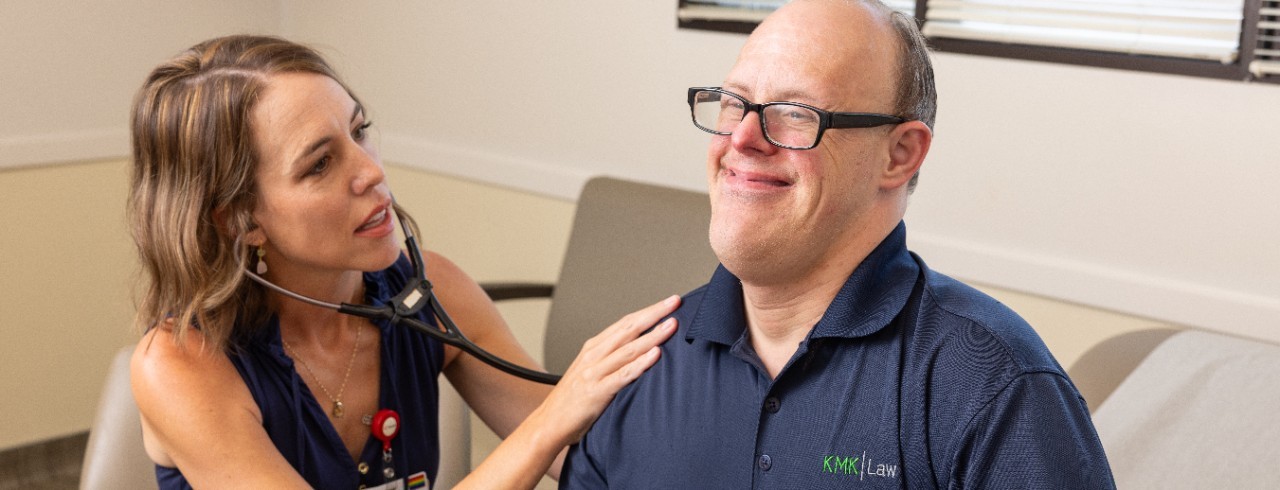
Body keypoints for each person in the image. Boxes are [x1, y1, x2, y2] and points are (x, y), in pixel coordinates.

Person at [561, 0, 1115, 488]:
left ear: (898, 155)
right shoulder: (645, 357)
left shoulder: (989, 380)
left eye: (796, 114)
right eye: (734, 103)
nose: (743, 139)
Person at [127, 35, 678, 490]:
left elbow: (593, 460)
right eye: (320, 164)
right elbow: (555, 428)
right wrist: (550, 422)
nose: (370, 171)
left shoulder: (431, 290)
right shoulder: (179, 366)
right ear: (239, 221)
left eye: (360, 131)